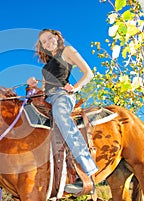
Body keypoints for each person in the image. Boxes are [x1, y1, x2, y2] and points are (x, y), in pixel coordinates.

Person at [27, 29, 98, 192]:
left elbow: (89, 73)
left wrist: (75, 87)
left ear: (57, 38)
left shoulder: (67, 51)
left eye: (49, 38)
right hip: (47, 99)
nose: (47, 43)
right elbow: (44, 90)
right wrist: (34, 86)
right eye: (43, 42)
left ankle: (87, 172)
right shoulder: (45, 68)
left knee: (61, 117)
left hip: (62, 96)